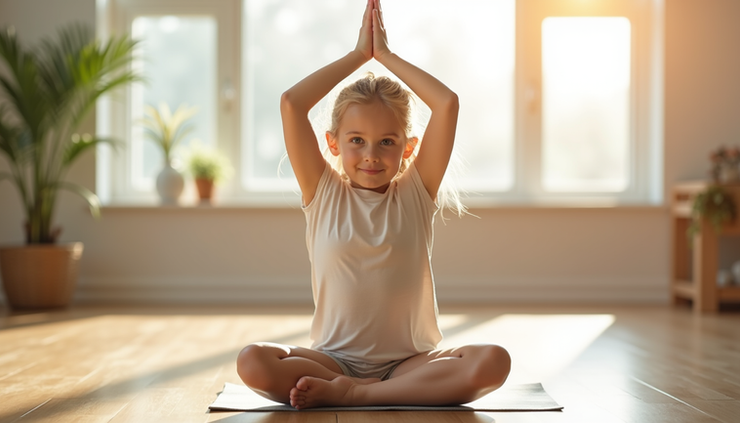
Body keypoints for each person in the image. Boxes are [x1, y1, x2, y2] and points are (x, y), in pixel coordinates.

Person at [236, 0, 511, 409]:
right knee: (253, 361)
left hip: (410, 363)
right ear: (333, 143)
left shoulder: (416, 191)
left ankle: (357, 395)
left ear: (408, 147)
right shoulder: (323, 191)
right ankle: (359, 389)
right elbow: (292, 103)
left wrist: (386, 56)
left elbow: (447, 103)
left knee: (493, 362)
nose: (371, 155)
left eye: (387, 142)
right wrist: (357, 55)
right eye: (356, 141)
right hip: (333, 362)